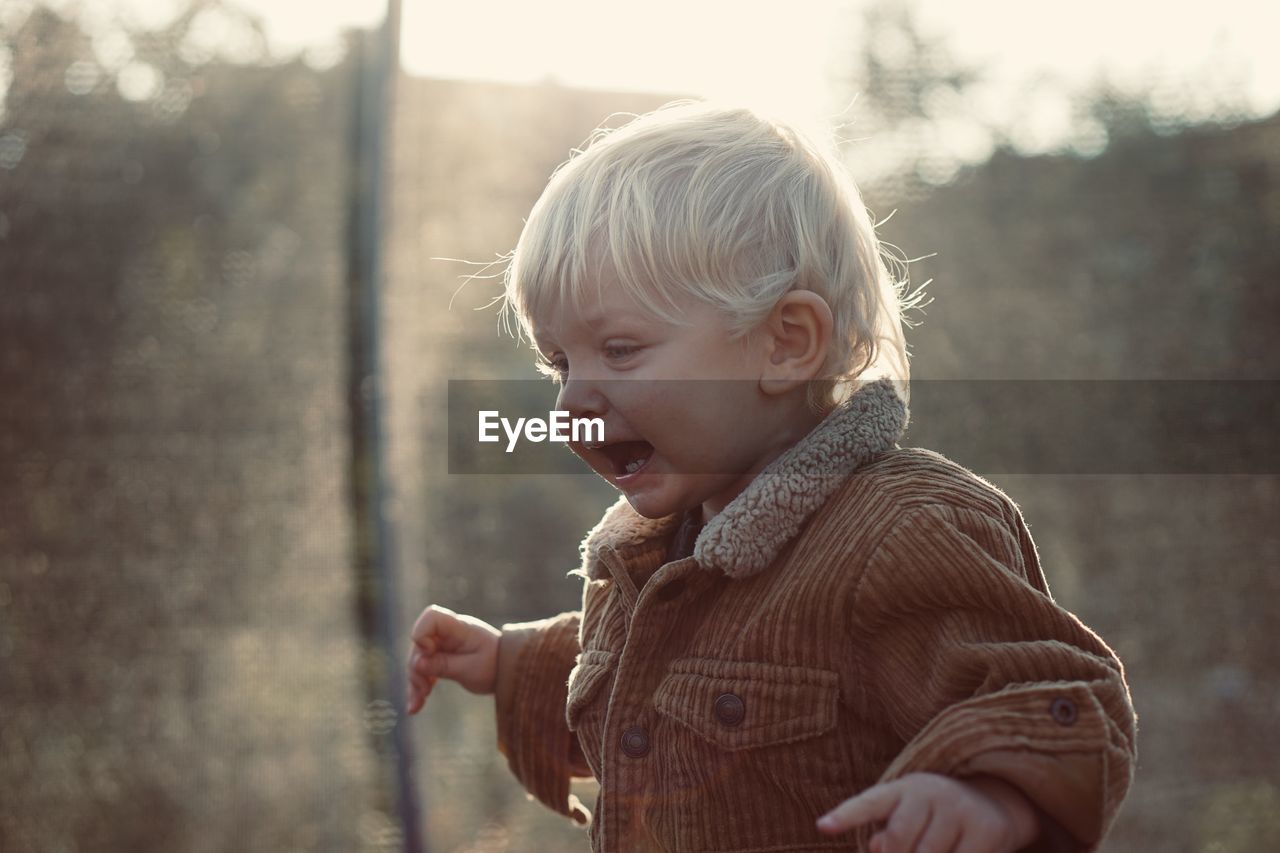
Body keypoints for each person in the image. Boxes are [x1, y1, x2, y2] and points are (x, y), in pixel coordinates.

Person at [406, 101, 1137, 852]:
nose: (571, 400)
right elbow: (646, 697)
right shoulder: (665, 546)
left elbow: (1054, 695)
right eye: (560, 362)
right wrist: (509, 663)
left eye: (620, 349)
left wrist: (986, 795)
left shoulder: (902, 528)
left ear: (785, 343)